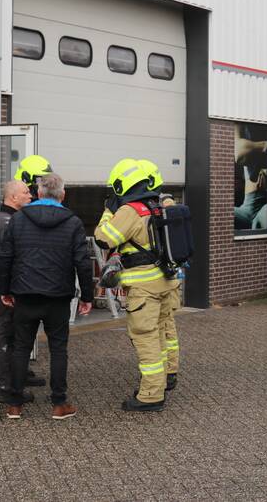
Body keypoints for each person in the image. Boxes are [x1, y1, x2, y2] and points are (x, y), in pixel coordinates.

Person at [0, 173, 94, 419]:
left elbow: (5, 258)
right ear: (62, 195)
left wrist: (5, 291)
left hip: (25, 294)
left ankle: (15, 405)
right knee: (58, 349)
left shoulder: (18, 221)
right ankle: (59, 404)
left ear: (38, 194)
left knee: (21, 348)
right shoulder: (72, 223)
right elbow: (83, 263)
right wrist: (87, 296)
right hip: (58, 297)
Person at [96, 158, 178, 412]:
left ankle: (151, 395)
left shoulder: (131, 210)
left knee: (145, 337)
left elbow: (104, 239)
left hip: (144, 288)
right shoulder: (159, 205)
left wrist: (109, 212)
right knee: (162, 332)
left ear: (122, 184)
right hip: (166, 281)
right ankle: (161, 380)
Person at [0, 179, 43, 402]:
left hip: (2, 287)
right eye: (26, 192)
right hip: (5, 290)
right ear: (13, 197)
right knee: (6, 336)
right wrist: (6, 291)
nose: (30, 196)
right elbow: (4, 261)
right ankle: (5, 389)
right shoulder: (6, 222)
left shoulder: (2, 219)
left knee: (0, 333)